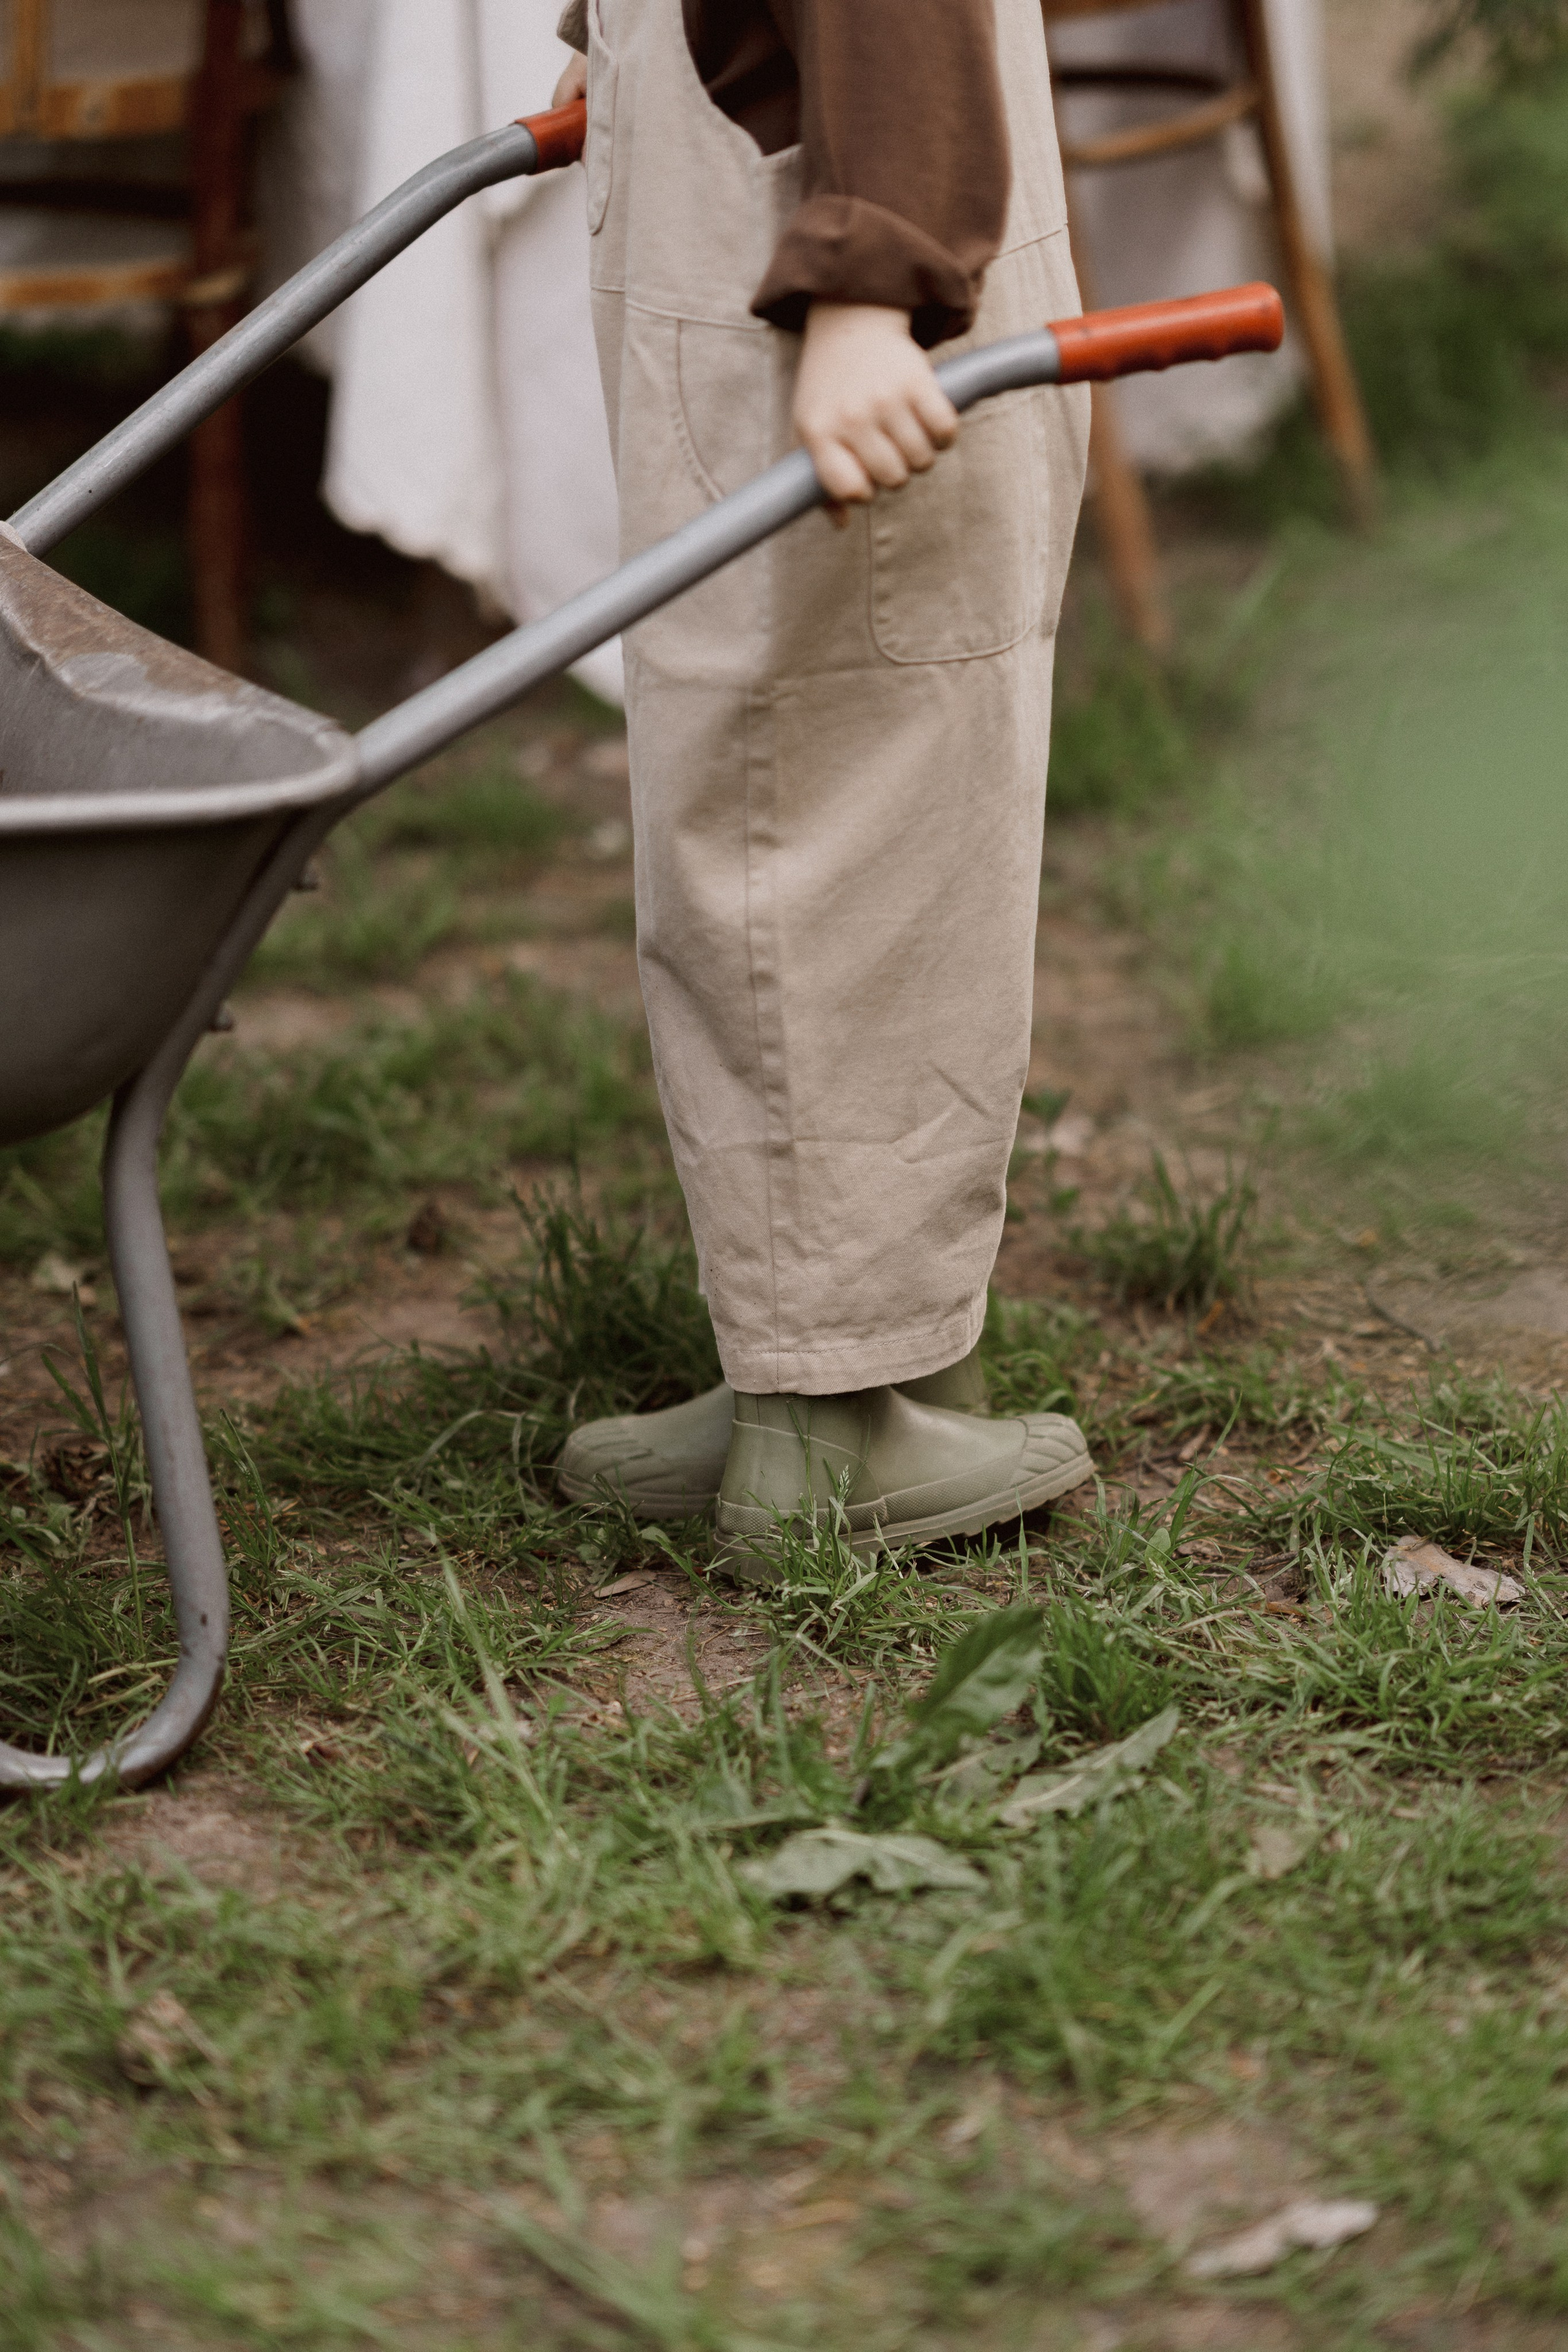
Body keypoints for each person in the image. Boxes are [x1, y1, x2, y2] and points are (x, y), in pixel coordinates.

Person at [552, 0, 1095, 1578]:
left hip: (780, 256)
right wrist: (873, 278)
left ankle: (844, 1363)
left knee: (793, 819)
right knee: (850, 834)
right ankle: (828, 1418)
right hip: (843, 296)